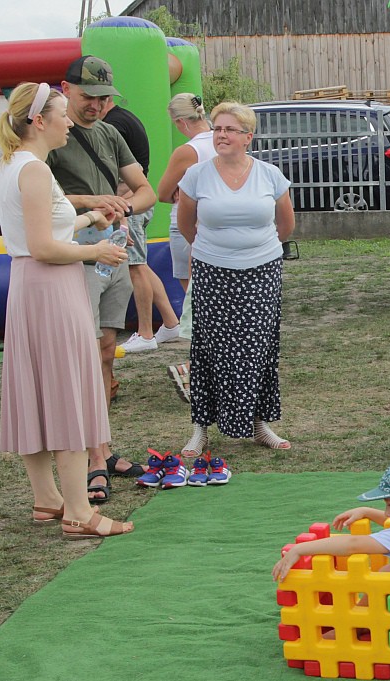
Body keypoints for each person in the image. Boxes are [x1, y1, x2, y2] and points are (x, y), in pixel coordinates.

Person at [0, 82, 132, 539]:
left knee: (38, 392)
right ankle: (78, 512)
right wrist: (97, 253)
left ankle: (47, 499)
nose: (70, 120)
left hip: (33, 287)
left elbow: (47, 228)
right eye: (62, 114)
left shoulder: (19, 165)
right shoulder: (33, 169)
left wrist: (91, 219)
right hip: (50, 287)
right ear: (39, 121)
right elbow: (43, 247)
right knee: (67, 392)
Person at [49, 55, 158, 501]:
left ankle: (103, 448)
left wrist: (122, 207)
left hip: (115, 251)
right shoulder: (49, 131)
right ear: (65, 88)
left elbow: (147, 189)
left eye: (103, 98)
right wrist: (90, 202)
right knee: (86, 353)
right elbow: (15, 186)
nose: (96, 105)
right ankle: (93, 457)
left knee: (107, 351)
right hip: (76, 255)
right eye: (87, 97)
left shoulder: (111, 133)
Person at [177, 102, 295, 456]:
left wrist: (258, 249)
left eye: (229, 129)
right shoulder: (197, 175)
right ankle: (200, 428)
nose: (221, 135)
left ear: (248, 137)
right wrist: (212, 250)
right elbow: (187, 224)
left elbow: (286, 226)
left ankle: (260, 424)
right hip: (213, 271)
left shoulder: (269, 174)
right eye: (217, 129)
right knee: (208, 348)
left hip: (262, 270)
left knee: (258, 347)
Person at [272, 456, 390, 614]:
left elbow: (353, 545)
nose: (387, 512)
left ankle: (357, 623)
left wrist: (300, 549)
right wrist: (366, 511)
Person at [102, 96, 181, 354]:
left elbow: (125, 175)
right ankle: (170, 321)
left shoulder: (113, 125)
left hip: (130, 205)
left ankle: (146, 333)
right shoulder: (125, 118)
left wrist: (120, 209)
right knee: (141, 265)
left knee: (135, 268)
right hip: (135, 204)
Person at [157, 92, 217, 404]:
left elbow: (163, 192)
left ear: (181, 122)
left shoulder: (188, 150)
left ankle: (200, 373)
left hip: (189, 226)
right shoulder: (222, 141)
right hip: (218, 227)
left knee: (195, 306)